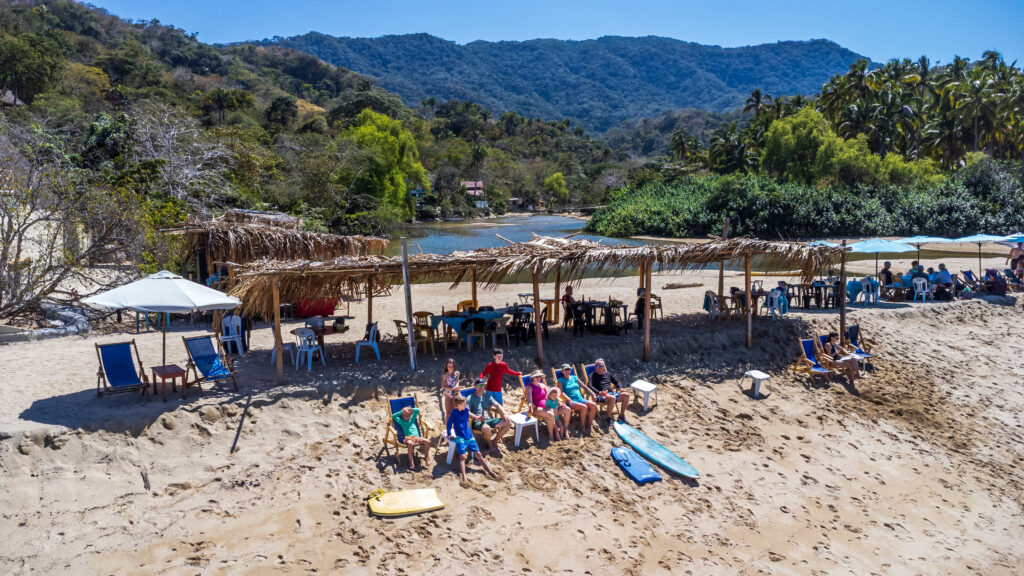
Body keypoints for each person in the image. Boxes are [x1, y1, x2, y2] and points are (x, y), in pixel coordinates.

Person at [446, 395, 497, 482]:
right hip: (460, 437)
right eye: (464, 403)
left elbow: (474, 416)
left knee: (479, 455)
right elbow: (449, 423)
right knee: (463, 456)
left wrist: (479, 418)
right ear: (458, 405)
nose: (466, 405)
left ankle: (489, 471)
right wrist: (449, 433)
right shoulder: (454, 412)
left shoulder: (466, 410)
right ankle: (464, 477)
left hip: (469, 436)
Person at [467, 377, 511, 456]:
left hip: (488, 419)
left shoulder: (486, 396)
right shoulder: (470, 398)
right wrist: (476, 417)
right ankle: (490, 444)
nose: (481, 388)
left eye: (483, 386)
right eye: (479, 386)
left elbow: (497, 405)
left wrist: (503, 412)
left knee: (508, 422)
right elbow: (466, 412)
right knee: (487, 428)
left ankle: (495, 441)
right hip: (477, 421)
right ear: (475, 387)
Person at [525, 370, 568, 440]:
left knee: (567, 409)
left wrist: (559, 402)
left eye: (539, 376)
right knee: (551, 414)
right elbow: (529, 400)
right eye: (536, 377)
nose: (538, 378)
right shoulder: (529, 387)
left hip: (549, 406)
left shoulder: (543, 385)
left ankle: (565, 431)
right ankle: (551, 434)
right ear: (532, 378)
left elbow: (550, 396)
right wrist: (530, 406)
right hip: (538, 408)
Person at [556, 364, 598, 435]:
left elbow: (584, 386)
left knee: (593, 405)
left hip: (580, 399)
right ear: (562, 371)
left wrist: (592, 393)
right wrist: (569, 399)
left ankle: (589, 424)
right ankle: (582, 425)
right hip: (571, 401)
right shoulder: (560, 380)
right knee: (584, 407)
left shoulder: (574, 377)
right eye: (565, 369)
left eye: (569, 369)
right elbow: (561, 392)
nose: (567, 371)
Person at [587, 358, 630, 423]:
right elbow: (589, 385)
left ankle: (621, 415)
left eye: (601, 366)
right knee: (612, 398)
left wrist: (620, 387)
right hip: (600, 396)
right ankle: (608, 418)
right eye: (598, 366)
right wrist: (598, 392)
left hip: (612, 394)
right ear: (595, 367)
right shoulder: (592, 375)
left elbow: (617, 381)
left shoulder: (607, 374)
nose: (599, 368)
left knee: (626, 395)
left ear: (604, 367)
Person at [392, 405, 432, 470]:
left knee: (427, 441)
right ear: (402, 415)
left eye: (409, 415)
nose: (407, 417)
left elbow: (417, 410)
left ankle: (426, 458)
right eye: (405, 415)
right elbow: (393, 416)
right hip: (408, 438)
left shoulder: (412, 419)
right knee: (410, 444)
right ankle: (411, 461)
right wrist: (402, 412)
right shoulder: (401, 421)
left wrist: (411, 409)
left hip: (417, 437)